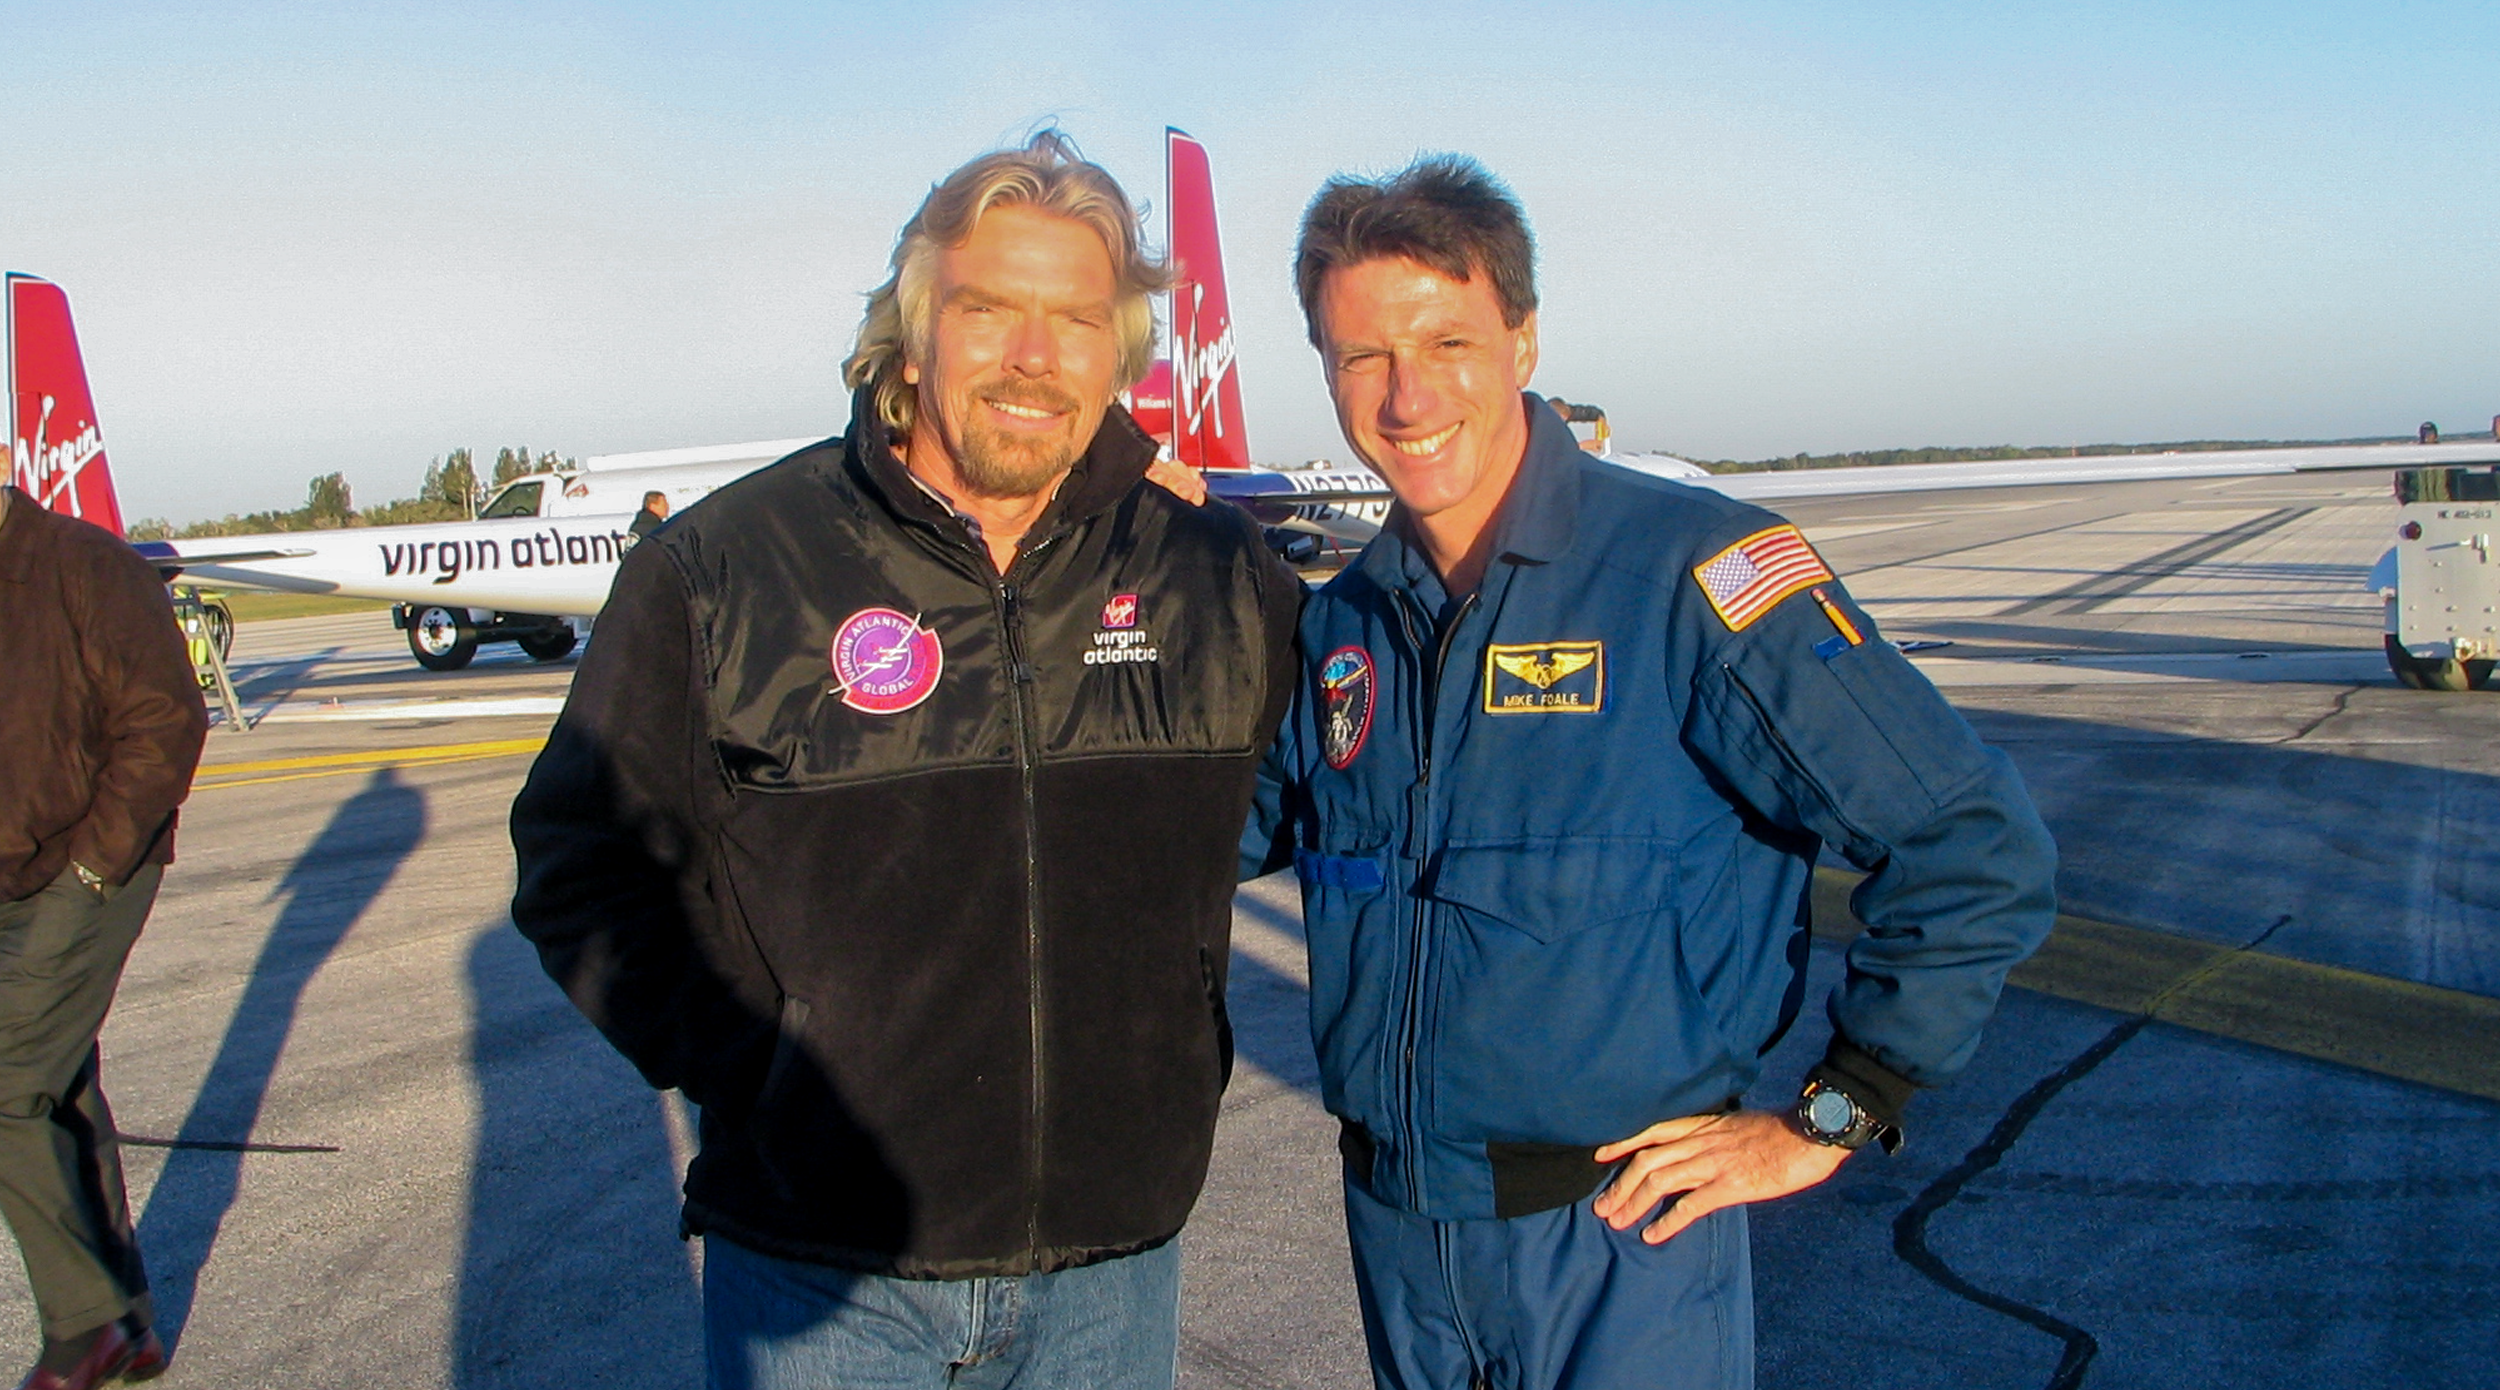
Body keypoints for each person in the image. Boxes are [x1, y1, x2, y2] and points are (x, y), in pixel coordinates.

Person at [1242, 157, 2056, 1390]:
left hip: (1620, 1243)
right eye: (1360, 355)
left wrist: (1829, 1116)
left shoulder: (1691, 577)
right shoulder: (1345, 622)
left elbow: (1971, 844)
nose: (1405, 397)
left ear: (1521, 340)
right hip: (1401, 1242)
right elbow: (1194, 834)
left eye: (1446, 340)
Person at [510, 133, 1301, 1390]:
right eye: (989, 312)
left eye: (1075, 321)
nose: (1033, 360)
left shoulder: (1214, 576)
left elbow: (1351, 796)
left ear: (1120, 354)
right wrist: (765, 1071)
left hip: (1113, 1263)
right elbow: (580, 858)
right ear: (916, 330)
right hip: (824, 1273)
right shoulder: (725, 568)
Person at [0, 446, 208, 1390]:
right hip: (11, 874)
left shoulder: (87, 566)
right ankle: (128, 1322)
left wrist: (93, 867)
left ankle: (84, 1329)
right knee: (59, 1090)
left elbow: (166, 720)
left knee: (4, 1085)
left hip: (92, 867)